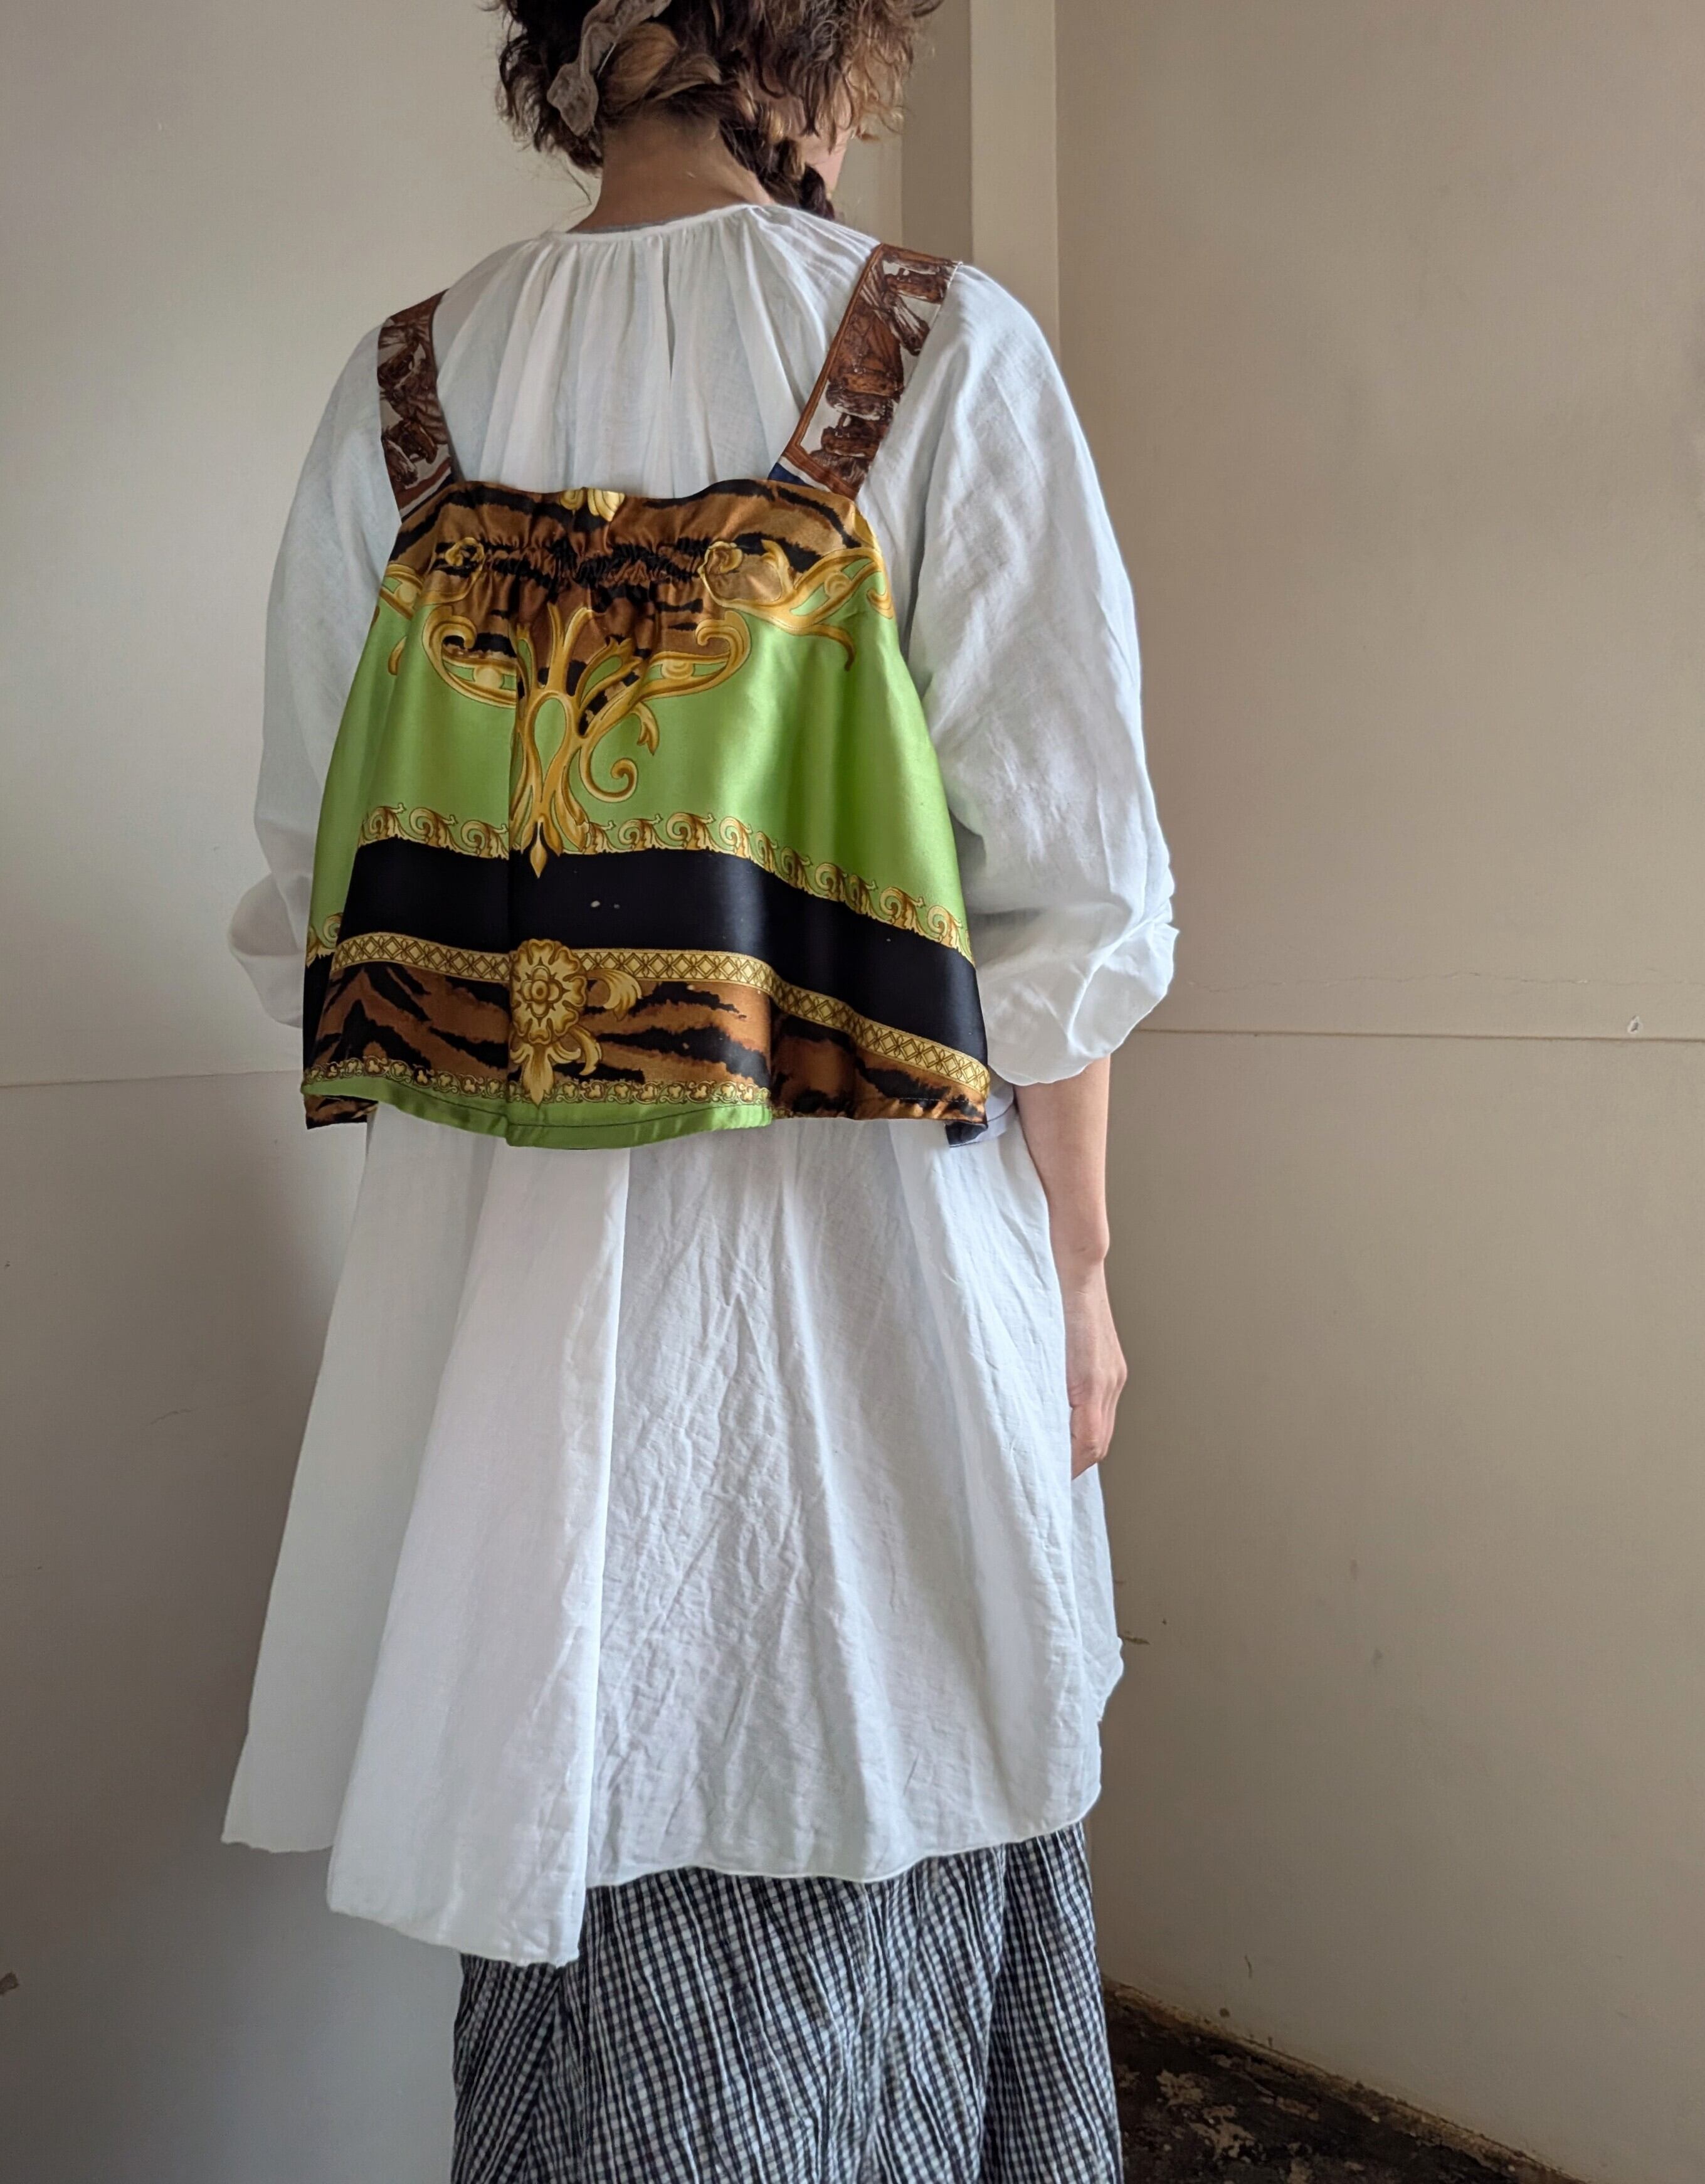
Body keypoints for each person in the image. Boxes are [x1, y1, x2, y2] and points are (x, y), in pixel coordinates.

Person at [224, 1, 1174, 2175]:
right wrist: (1084, 1271)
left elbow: (309, 895)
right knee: (888, 1760)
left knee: (580, 1836)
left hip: (504, 1336)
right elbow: (1072, 905)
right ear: (824, 48)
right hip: (872, 1300)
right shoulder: (938, 348)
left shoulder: (405, 389)